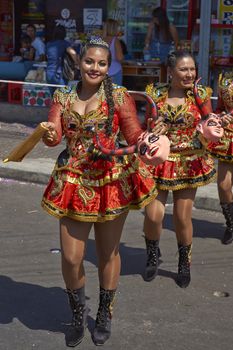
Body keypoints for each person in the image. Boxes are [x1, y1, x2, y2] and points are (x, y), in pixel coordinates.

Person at [40, 38, 161, 347]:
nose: (95, 67)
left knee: (108, 253)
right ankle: (78, 313)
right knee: (71, 257)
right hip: (72, 181)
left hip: (109, 180)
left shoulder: (118, 96)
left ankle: (105, 312)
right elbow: (53, 136)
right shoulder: (63, 96)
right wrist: (51, 133)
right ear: (80, 63)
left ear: (109, 67)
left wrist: (148, 140)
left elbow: (133, 133)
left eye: (102, 63)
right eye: (89, 62)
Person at [142, 50, 217, 288]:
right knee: (154, 216)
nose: (189, 74)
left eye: (192, 69)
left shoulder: (200, 94)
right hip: (159, 161)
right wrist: (155, 129)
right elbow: (147, 125)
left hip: (189, 162)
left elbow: (210, 123)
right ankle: (152, 254)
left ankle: (184, 262)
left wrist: (211, 129)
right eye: (184, 69)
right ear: (171, 71)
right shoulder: (155, 93)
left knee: (182, 217)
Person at [208, 72, 233, 244]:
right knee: (223, 185)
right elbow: (220, 107)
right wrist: (217, 116)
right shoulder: (224, 77)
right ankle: (231, 223)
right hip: (228, 137)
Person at [46, 25, 78, 95]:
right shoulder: (64, 43)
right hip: (59, 74)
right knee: (63, 98)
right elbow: (73, 53)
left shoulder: (48, 44)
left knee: (54, 98)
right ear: (64, 33)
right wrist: (77, 63)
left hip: (49, 74)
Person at [102, 18, 124, 85]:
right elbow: (119, 58)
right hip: (114, 70)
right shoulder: (115, 40)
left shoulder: (99, 39)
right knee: (115, 94)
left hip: (102, 70)